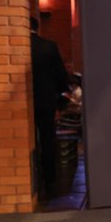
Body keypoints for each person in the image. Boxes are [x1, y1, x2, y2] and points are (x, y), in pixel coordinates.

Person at [30, 16, 69, 197]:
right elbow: (60, 74)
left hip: (25, 102)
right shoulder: (48, 46)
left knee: (29, 142)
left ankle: (33, 180)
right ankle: (50, 179)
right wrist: (62, 95)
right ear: (37, 28)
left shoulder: (19, 47)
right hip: (46, 100)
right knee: (47, 139)